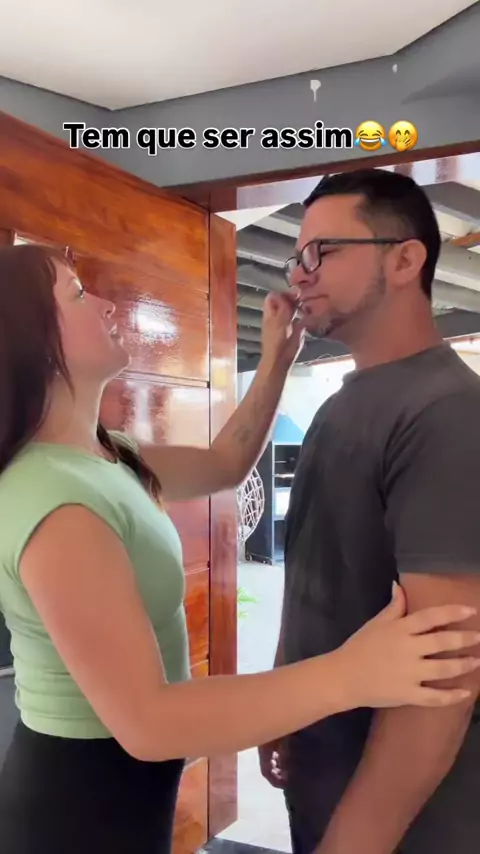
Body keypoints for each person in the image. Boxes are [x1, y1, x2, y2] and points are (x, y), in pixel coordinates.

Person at [0, 245, 477, 854]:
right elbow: (149, 722)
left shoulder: (106, 455)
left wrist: (277, 358)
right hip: (77, 802)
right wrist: (352, 674)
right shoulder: (53, 499)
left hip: (124, 789)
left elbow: (225, 463)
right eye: (75, 294)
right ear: (34, 343)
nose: (106, 303)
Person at [258, 168, 480, 854]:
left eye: (323, 251)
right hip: (322, 769)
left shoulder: (447, 412)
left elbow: (447, 666)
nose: (300, 273)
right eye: (297, 256)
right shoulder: (339, 404)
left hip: (406, 819)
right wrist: (283, 696)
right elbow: (314, 573)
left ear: (405, 260)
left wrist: (355, 841)